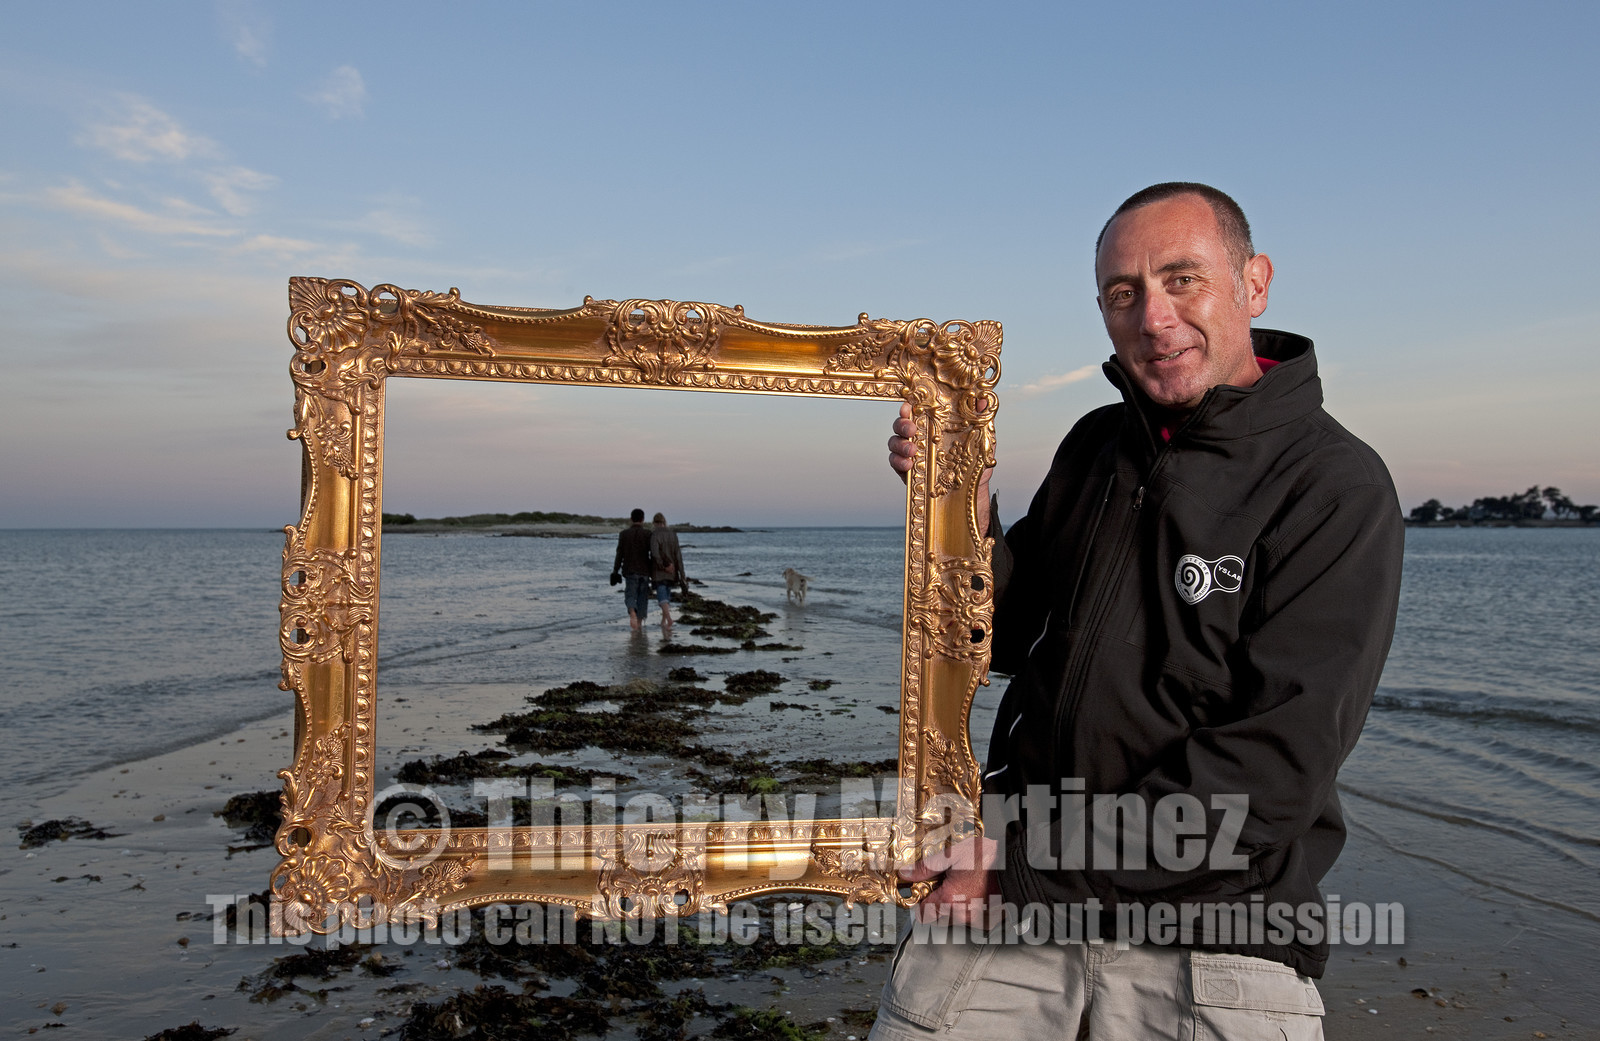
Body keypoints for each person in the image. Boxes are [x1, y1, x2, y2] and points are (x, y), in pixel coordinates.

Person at [874, 183, 1404, 1040]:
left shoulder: (1334, 485)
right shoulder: (1094, 445)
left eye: (1182, 279)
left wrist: (1020, 865)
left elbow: (1268, 776)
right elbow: (1005, 638)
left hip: (1217, 934)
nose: (1153, 318)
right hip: (1014, 912)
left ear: (1254, 282)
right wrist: (961, 516)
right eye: (1123, 293)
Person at [611, 508, 653, 633]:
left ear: (631, 519)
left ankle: (632, 613)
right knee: (642, 598)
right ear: (643, 519)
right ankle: (639, 624)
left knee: (630, 595)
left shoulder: (624, 534)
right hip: (645, 571)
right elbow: (653, 554)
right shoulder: (648, 534)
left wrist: (615, 570)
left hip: (630, 571)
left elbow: (619, 554)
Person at [648, 512, 686, 634]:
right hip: (673, 569)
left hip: (659, 571)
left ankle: (668, 619)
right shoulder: (673, 534)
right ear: (664, 522)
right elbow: (678, 555)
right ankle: (663, 621)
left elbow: (654, 554)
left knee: (661, 594)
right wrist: (682, 574)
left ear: (654, 523)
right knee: (667, 593)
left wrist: (663, 566)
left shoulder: (654, 535)